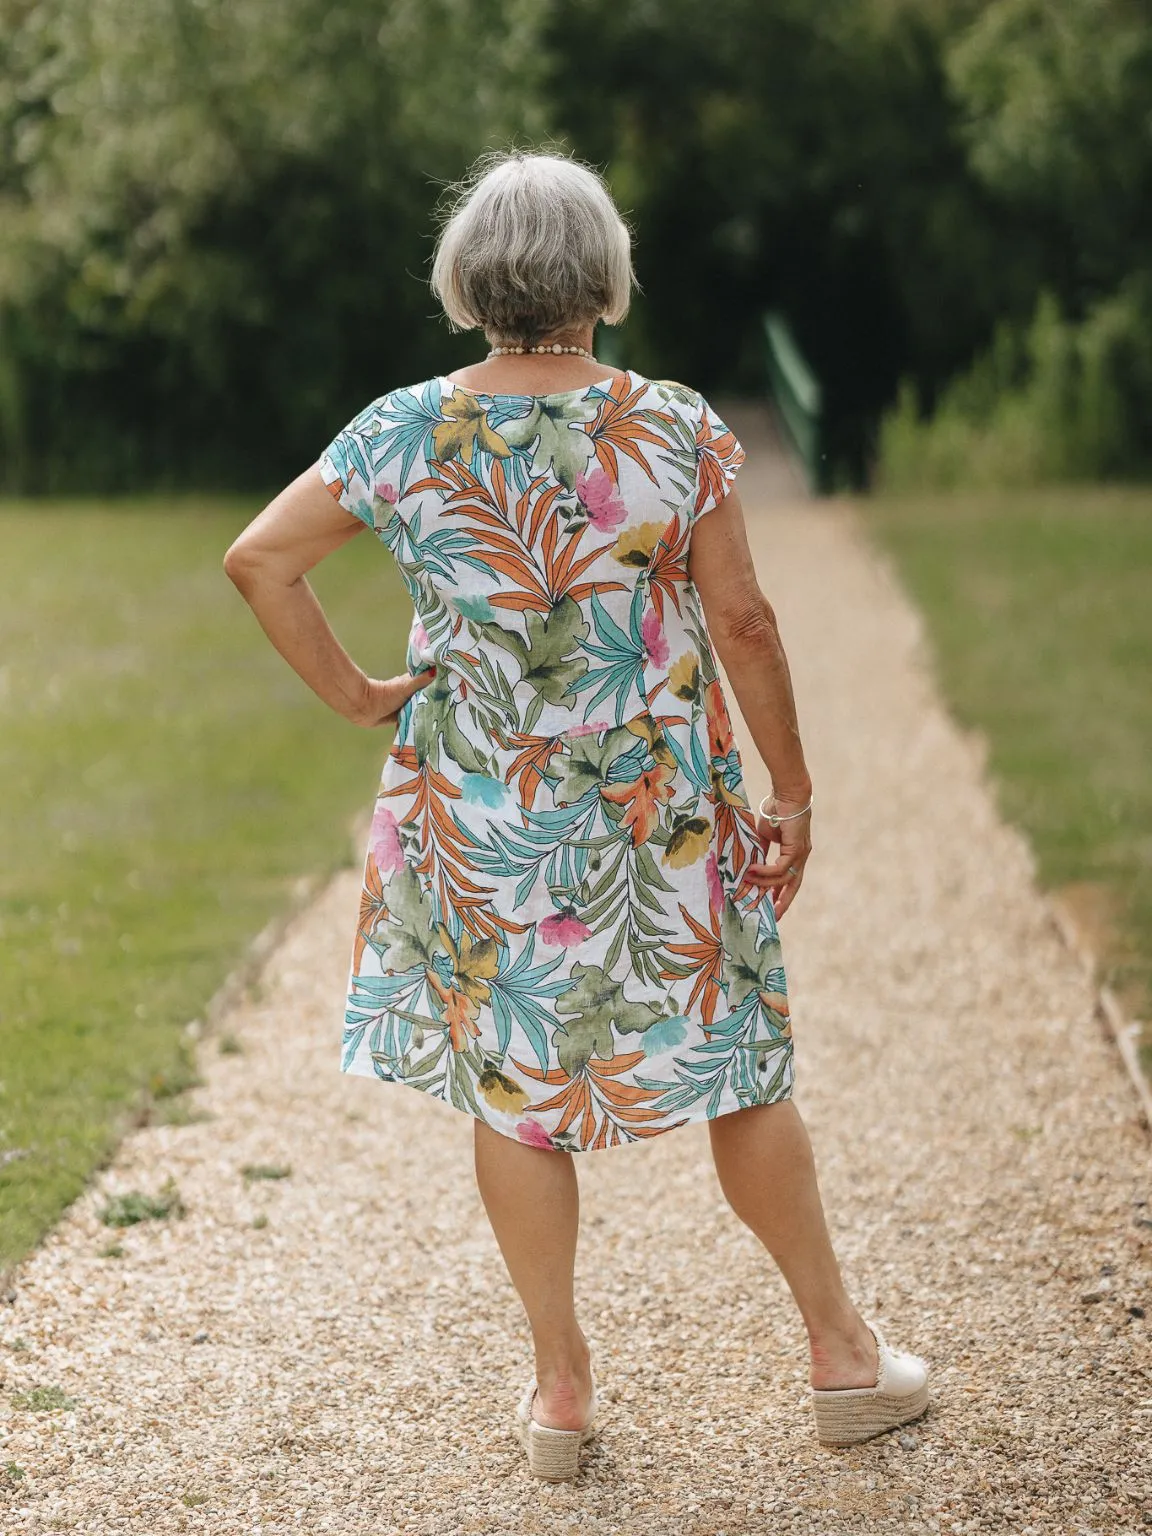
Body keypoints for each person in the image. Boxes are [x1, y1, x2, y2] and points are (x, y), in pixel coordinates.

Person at [222, 147, 929, 1481]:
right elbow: (746, 619)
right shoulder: (668, 426)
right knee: (738, 1061)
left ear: (470, 282)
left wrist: (364, 695)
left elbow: (259, 558)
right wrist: (795, 784)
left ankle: (559, 1391)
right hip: (660, 807)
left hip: (483, 812)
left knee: (518, 1091)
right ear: (602, 279)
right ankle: (841, 1358)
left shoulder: (402, 431)